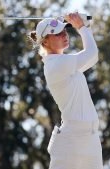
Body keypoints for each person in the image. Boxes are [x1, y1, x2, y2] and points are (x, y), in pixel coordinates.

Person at [28, 12, 103, 169]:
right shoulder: (55, 64)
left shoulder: (66, 64)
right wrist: (82, 28)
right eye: (57, 34)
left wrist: (86, 26)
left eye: (65, 31)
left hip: (91, 137)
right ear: (45, 42)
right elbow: (92, 53)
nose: (64, 35)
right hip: (71, 139)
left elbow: (92, 57)